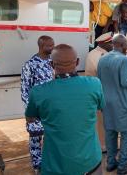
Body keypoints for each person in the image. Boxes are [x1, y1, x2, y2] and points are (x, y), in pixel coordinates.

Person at [25, 44, 104, 175]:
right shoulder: (94, 84)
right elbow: (101, 106)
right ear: (77, 62)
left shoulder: (38, 92)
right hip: (90, 162)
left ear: (51, 64)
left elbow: (30, 118)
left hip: (56, 165)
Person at [97, 34, 127, 174]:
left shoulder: (102, 59)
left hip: (107, 104)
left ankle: (110, 163)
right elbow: (126, 82)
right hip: (123, 103)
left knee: (110, 133)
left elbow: (100, 80)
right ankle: (122, 166)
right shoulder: (123, 60)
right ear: (122, 45)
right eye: (126, 44)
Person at [20, 35, 54, 173]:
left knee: (51, 136)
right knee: (35, 137)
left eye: (53, 45)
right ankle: (37, 165)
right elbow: (24, 89)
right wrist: (29, 111)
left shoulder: (54, 62)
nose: (52, 47)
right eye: (49, 45)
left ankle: (50, 162)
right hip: (36, 109)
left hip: (52, 108)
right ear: (41, 46)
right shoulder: (30, 64)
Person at [85, 32, 113, 151]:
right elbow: (106, 77)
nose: (112, 45)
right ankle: (103, 146)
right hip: (100, 92)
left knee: (98, 121)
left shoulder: (94, 53)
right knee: (102, 122)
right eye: (110, 43)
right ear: (104, 44)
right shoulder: (101, 57)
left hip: (94, 91)